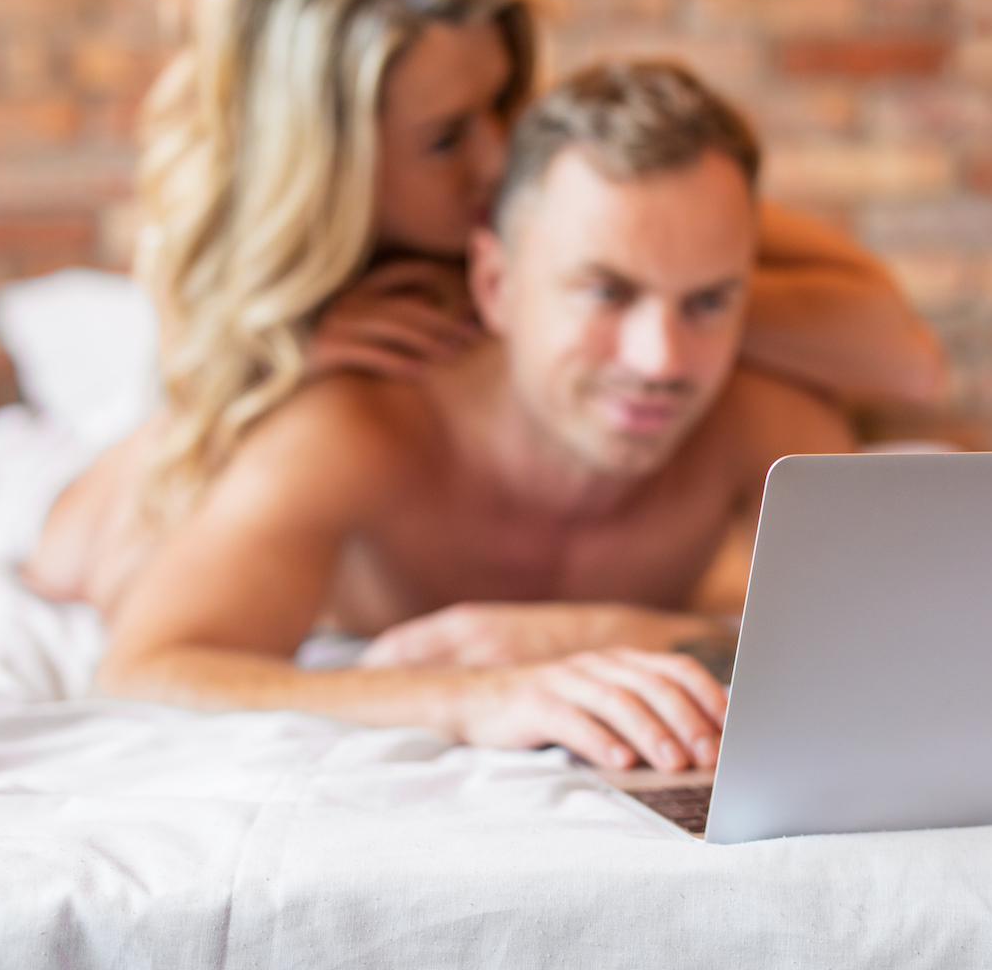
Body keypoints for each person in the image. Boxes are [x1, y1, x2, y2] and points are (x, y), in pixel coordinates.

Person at [70, 61, 855, 776]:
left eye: (710, 301)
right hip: (115, 489)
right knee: (90, 549)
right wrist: (476, 697)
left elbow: (883, 654)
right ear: (494, 281)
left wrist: (605, 632)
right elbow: (145, 669)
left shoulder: (768, 427)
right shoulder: (359, 422)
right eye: (606, 293)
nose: (661, 361)